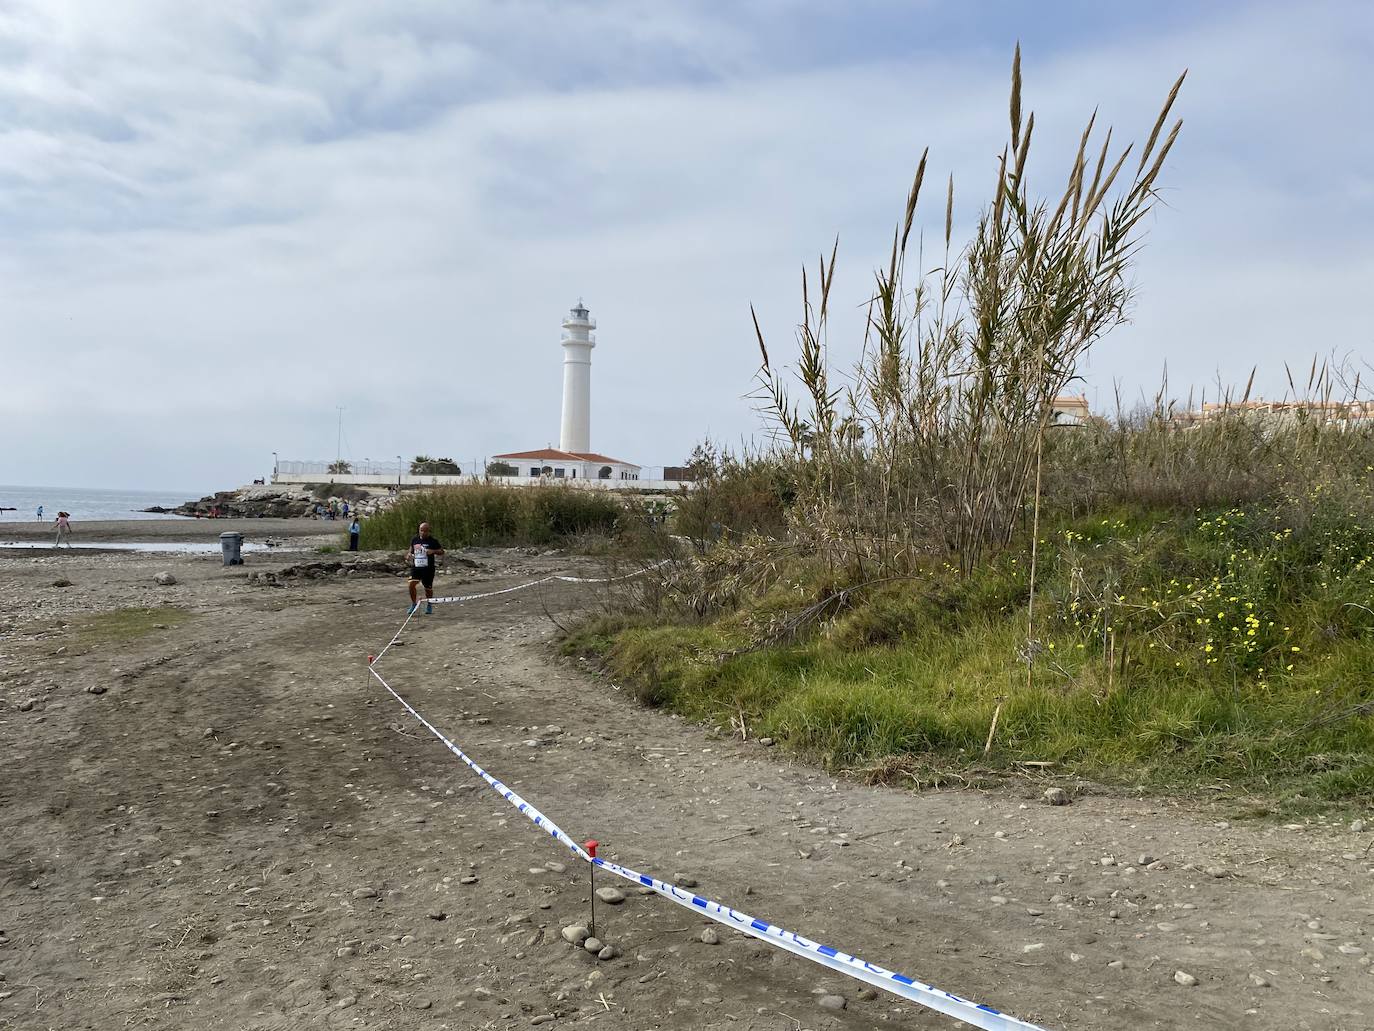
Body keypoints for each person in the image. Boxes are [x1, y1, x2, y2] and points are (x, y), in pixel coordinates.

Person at [406, 521, 444, 615]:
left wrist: (433, 551)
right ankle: (414, 604)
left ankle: (429, 604)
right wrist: (409, 555)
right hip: (416, 567)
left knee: (428, 588)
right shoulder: (415, 540)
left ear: (428, 532)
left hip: (428, 568)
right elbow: (410, 551)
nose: (423, 533)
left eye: (425, 531)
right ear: (419, 530)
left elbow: (441, 551)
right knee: (411, 584)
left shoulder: (432, 541)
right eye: (421, 530)